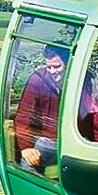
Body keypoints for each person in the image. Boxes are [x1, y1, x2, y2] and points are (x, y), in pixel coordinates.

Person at [14, 44, 65, 173]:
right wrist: (26, 147)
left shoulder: (81, 79)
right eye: (49, 67)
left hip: (75, 138)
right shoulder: (38, 80)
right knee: (28, 163)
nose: (53, 71)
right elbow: (24, 115)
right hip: (48, 140)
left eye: (57, 66)